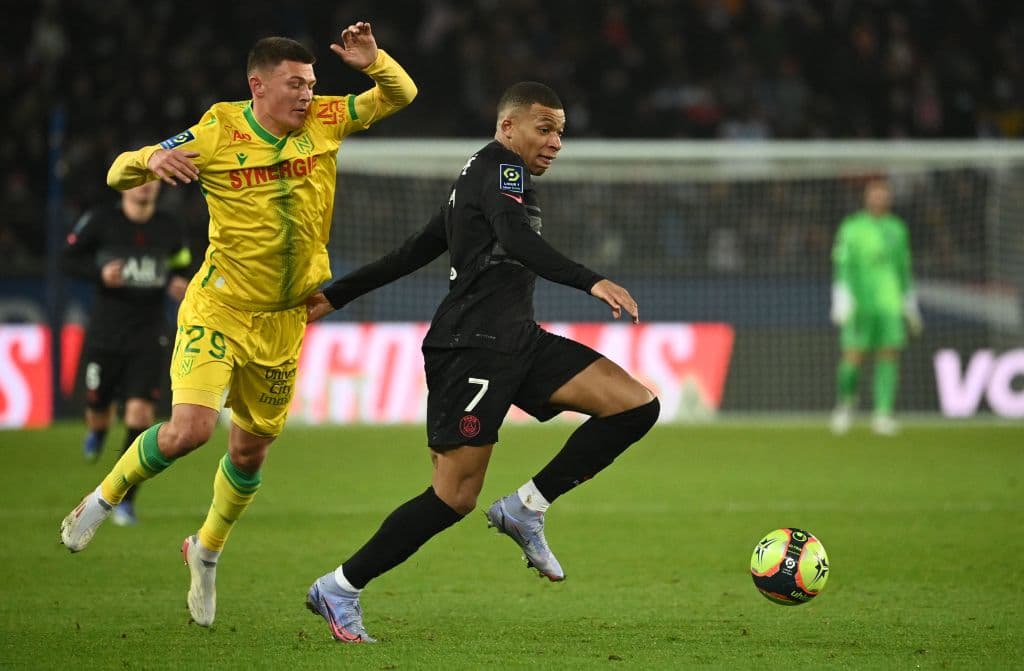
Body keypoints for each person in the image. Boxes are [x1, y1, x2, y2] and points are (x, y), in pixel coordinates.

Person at [59, 23, 417, 629]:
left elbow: (401, 94)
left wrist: (375, 61)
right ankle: (101, 499)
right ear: (258, 85)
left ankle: (205, 551)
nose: (307, 94)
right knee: (190, 430)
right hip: (219, 308)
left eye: (311, 83)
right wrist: (151, 157)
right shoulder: (218, 131)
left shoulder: (327, 118)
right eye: (295, 84)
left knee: (249, 454)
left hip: (285, 319)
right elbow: (118, 174)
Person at [302, 81, 660, 643]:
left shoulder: (479, 178)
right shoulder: (501, 169)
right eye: (545, 129)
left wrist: (335, 295)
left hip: (517, 340)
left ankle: (526, 507)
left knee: (635, 406)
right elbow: (514, 240)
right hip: (470, 347)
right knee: (454, 496)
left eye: (560, 132)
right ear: (507, 127)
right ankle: (340, 586)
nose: (556, 142)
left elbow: (414, 250)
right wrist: (590, 280)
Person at [61, 180, 192, 526]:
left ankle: (125, 500)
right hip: (106, 332)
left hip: (149, 333)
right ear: (123, 185)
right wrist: (100, 273)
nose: (145, 187)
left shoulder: (168, 226)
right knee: (98, 409)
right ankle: (98, 429)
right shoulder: (101, 220)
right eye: (137, 180)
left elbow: (181, 262)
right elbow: (68, 258)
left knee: (140, 414)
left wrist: (178, 280)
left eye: (151, 180)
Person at [829, 178, 922, 435]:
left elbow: (903, 268)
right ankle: (846, 404)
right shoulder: (852, 227)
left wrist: (909, 302)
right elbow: (842, 263)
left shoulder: (898, 229)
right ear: (866, 197)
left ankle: (882, 413)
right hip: (860, 303)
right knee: (852, 357)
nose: (879, 199)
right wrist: (841, 296)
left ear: (889, 198)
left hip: (890, 303)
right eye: (875, 194)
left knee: (888, 355)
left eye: (883, 195)